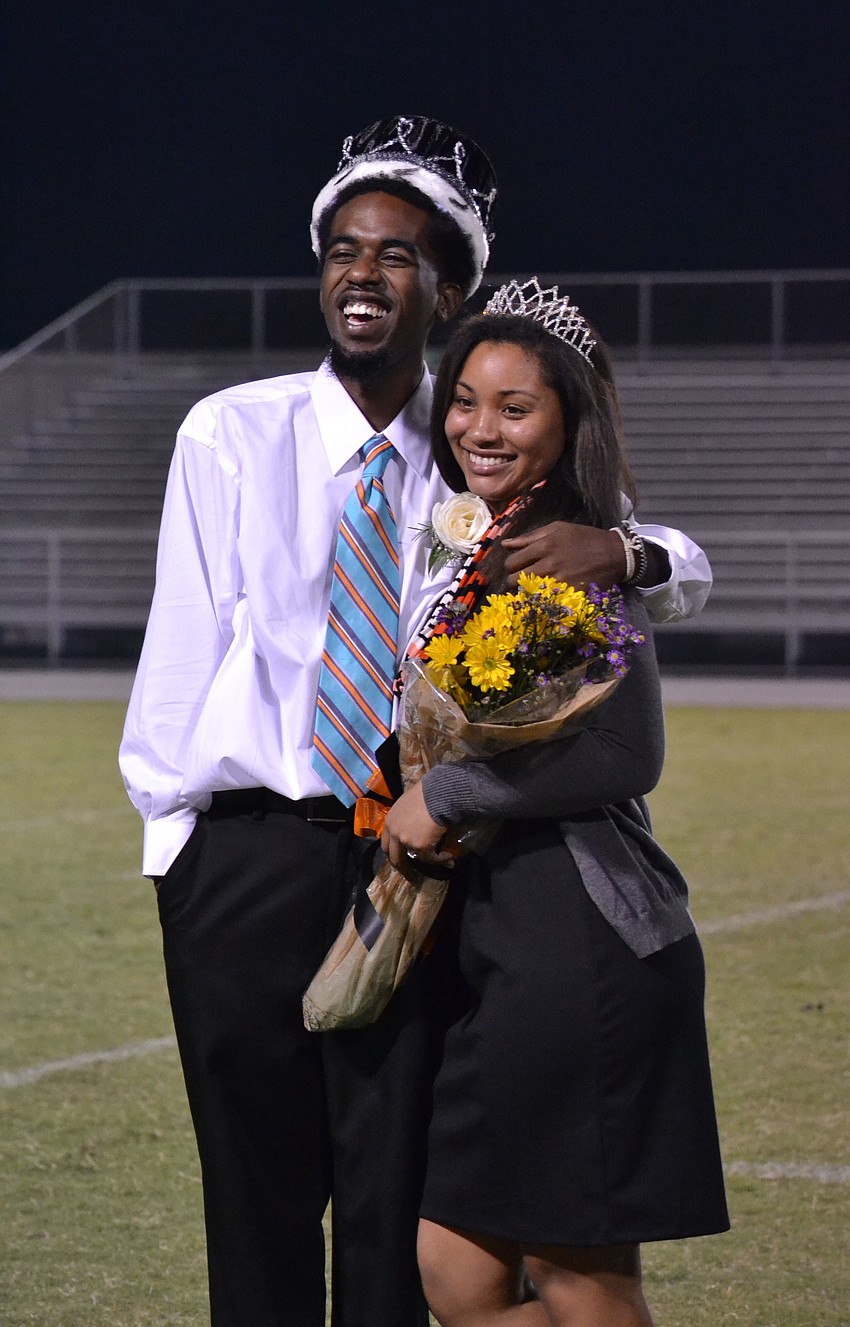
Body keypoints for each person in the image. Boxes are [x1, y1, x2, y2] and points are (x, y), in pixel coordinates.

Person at [119, 117, 714, 1327]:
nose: (363, 274)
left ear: (449, 285)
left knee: (391, 1196)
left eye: (398, 256)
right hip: (241, 851)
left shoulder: (477, 434)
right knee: (253, 1192)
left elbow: (681, 564)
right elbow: (180, 653)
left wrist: (625, 546)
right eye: (343, 248)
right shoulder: (231, 430)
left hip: (405, 851)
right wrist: (174, 844)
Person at [380, 282, 729, 1327]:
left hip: (583, 942)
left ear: (566, 418)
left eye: (515, 406)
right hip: (497, 942)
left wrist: (446, 789)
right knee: (457, 1274)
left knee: (583, 1280)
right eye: (465, 400)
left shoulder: (575, 552)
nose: (480, 428)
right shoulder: (462, 539)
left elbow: (627, 754)